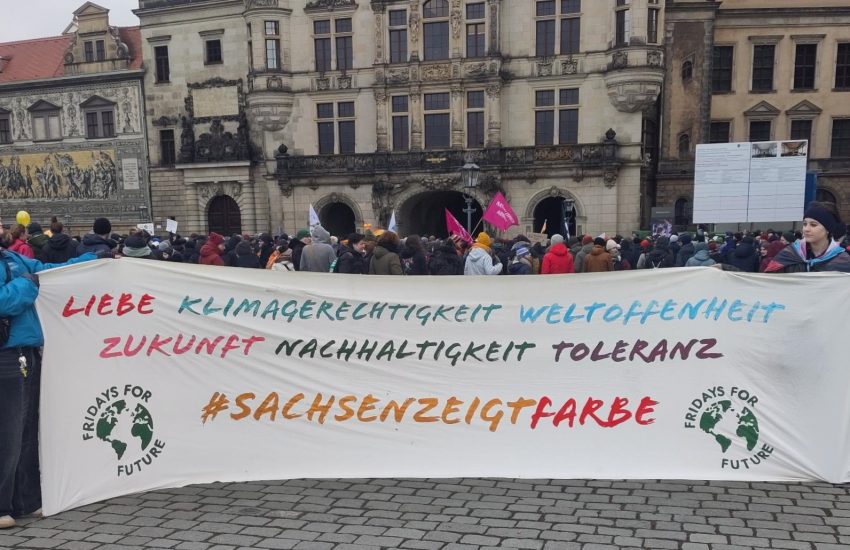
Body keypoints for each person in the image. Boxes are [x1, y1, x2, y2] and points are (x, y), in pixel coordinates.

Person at [0, 223, 97, 529]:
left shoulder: (11, 258)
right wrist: (27, 285)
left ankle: (26, 499)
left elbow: (50, 271)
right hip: (4, 355)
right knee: (9, 434)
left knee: (28, 431)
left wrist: (93, 261)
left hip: (26, 351)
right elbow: (6, 300)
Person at [764, 201, 850, 273]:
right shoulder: (790, 254)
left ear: (828, 229)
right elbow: (770, 283)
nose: (806, 229)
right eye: (805, 224)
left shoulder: (843, 260)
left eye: (813, 225)